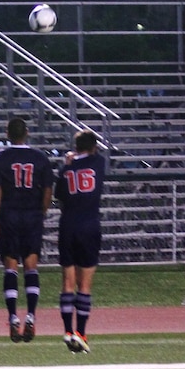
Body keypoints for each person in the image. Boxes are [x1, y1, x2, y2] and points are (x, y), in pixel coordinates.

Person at [0, 116, 54, 343]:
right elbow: (48, 189)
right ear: (27, 133)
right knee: (31, 266)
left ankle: (13, 318)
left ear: (8, 134)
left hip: (9, 214)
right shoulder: (40, 157)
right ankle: (32, 317)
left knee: (10, 267)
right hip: (31, 214)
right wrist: (42, 212)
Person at [55, 129, 106, 354]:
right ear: (93, 146)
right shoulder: (98, 162)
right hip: (89, 225)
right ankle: (81, 332)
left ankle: (67, 331)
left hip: (68, 225)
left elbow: (59, 196)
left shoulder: (67, 169)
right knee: (84, 285)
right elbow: (94, 155)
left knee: (67, 283)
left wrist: (68, 164)